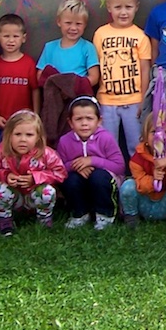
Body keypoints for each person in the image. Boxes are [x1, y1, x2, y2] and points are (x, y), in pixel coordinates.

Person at [0, 110, 67, 236]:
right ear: (9, 135)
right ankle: (5, 221)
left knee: (47, 192)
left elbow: (60, 173)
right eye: (17, 134)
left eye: (29, 135)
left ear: (38, 137)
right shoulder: (1, 151)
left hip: (34, 196)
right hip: (14, 196)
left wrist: (36, 178)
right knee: (0, 189)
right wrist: (5, 175)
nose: (23, 139)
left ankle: (44, 220)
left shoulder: (46, 153)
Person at [93, 0, 152, 158]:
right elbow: (96, 65)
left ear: (136, 7)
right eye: (118, 7)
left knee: (136, 145)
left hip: (133, 101)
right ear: (109, 7)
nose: (123, 12)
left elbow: (145, 69)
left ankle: (137, 174)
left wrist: (143, 99)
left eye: (128, 7)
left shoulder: (140, 36)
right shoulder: (100, 34)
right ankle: (111, 173)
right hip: (107, 100)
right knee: (107, 144)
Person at [56, 96, 126, 230]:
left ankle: (105, 214)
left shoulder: (105, 138)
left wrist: (92, 161)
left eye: (89, 118)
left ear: (99, 121)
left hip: (103, 183)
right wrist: (75, 166)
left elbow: (119, 167)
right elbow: (58, 168)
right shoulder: (64, 141)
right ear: (70, 122)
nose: (84, 123)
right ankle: (80, 213)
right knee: (69, 179)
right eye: (78, 119)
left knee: (98, 177)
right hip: (80, 183)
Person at [120, 112, 166, 227]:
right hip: (144, 204)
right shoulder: (137, 159)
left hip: (165, 204)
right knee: (127, 186)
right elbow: (140, 185)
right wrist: (153, 180)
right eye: (154, 132)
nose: (159, 136)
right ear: (145, 136)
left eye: (165, 132)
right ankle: (131, 217)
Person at [0, 13, 40, 151]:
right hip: (0, 123)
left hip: (24, 123)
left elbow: (35, 90)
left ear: (23, 38)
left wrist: (36, 115)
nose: (11, 40)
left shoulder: (29, 63)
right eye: (6, 36)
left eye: (15, 36)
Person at [36, 0, 100, 88]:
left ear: (85, 24)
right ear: (59, 22)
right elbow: (40, 75)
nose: (73, 28)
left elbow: (94, 77)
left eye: (78, 24)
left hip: (79, 93)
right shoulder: (49, 47)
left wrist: (74, 86)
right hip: (55, 92)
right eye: (68, 23)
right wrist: (58, 85)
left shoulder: (87, 47)